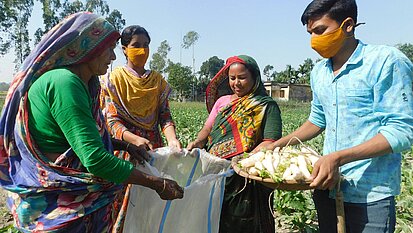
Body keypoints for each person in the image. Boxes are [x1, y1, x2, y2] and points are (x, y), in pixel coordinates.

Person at [0, 12, 183, 233]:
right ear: (87, 46)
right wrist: (157, 183)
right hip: (61, 203)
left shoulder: (84, 82)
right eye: (109, 48)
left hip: (73, 195)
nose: (113, 57)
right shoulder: (65, 83)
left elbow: (79, 136)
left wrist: (124, 145)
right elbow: (94, 159)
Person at [266, 0, 413, 232]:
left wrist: (338, 158)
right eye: (310, 33)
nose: (314, 40)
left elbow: (401, 131)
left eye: (320, 30)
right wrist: (277, 145)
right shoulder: (319, 72)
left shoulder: (385, 61)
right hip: (327, 187)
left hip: (370, 195)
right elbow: (318, 119)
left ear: (348, 25)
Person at [187, 55, 282, 233]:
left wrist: (244, 159)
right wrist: (199, 141)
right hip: (217, 172)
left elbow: (271, 141)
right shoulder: (222, 102)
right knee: (216, 219)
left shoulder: (266, 106)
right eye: (232, 78)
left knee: (248, 222)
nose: (236, 83)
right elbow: (207, 129)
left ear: (255, 78)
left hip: (248, 175)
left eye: (242, 78)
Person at [100, 25, 181, 151]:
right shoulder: (113, 80)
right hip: (126, 149)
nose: (142, 50)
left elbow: (164, 115)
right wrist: (134, 140)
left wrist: (172, 139)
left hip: (154, 149)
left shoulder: (157, 81)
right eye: (136, 45)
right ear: (124, 49)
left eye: (146, 45)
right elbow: (112, 121)